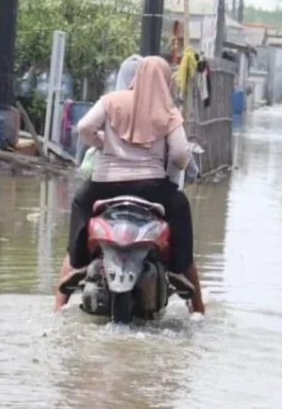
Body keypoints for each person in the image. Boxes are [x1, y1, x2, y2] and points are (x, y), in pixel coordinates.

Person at [55, 56, 206, 314]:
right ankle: (181, 273)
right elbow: (181, 155)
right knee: (180, 207)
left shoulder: (111, 101)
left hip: (105, 185)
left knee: (80, 202)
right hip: (152, 187)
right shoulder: (168, 111)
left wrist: (103, 143)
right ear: (166, 80)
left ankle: (73, 274)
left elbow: (84, 127)